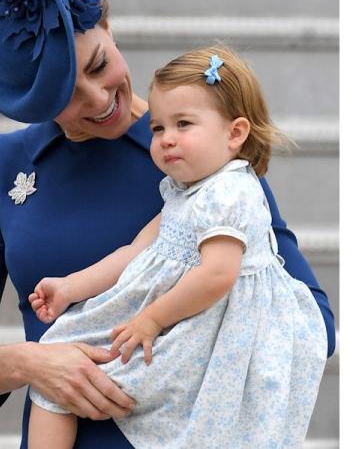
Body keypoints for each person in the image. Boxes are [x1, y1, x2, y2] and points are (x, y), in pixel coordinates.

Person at [0, 0, 335, 448]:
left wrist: (178, 343)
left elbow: (312, 318)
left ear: (109, 24)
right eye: (65, 97)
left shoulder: (202, 155)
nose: (99, 100)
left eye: (100, 65)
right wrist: (35, 363)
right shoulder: (1, 161)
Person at [25, 45, 328, 449]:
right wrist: (70, 287)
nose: (166, 139)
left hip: (209, 329)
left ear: (235, 133)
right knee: (57, 357)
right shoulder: (184, 192)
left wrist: (150, 321)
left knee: (70, 375)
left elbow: (218, 274)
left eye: (183, 124)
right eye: (157, 128)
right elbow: (136, 251)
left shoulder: (231, 192)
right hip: (180, 318)